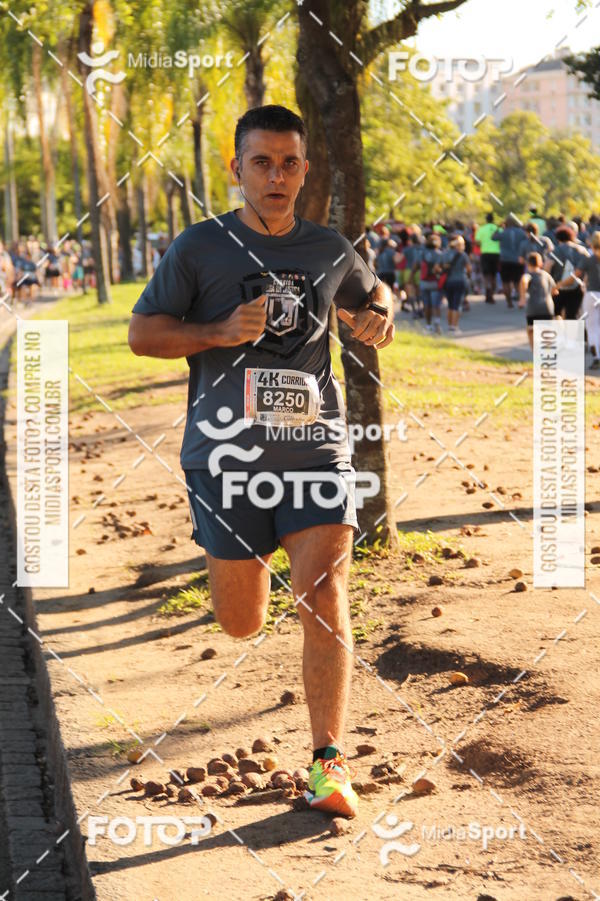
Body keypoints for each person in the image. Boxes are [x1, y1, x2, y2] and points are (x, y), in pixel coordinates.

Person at [127, 104, 395, 820]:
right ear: (237, 169)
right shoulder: (198, 249)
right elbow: (142, 333)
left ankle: (329, 764)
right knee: (241, 621)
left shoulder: (328, 247)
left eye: (289, 163)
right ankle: (248, 560)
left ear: (305, 170)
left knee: (322, 589)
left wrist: (382, 313)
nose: (276, 176)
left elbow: (374, 293)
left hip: (315, 452)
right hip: (225, 459)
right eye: (261, 162)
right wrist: (214, 330)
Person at [558, 229, 600, 369]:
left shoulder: (589, 260)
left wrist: (559, 284)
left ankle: (596, 357)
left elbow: (575, 276)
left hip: (592, 294)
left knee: (592, 327)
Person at [517, 252, 558, 350]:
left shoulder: (528, 275)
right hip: (547, 307)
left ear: (528, 264)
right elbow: (555, 291)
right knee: (547, 333)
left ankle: (535, 353)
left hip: (533, 308)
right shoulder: (546, 275)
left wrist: (522, 297)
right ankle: (548, 355)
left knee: (531, 330)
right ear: (540, 263)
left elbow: (524, 280)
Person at [549, 226, 589, 320]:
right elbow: (589, 264)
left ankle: (559, 330)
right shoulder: (581, 250)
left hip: (558, 287)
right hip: (577, 287)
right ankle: (571, 333)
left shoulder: (556, 250)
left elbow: (548, 265)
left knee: (556, 312)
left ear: (558, 238)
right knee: (572, 315)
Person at [493, 214, 527, 308]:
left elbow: (493, 237)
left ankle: (509, 302)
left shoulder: (503, 232)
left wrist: (498, 227)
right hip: (518, 260)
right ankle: (521, 300)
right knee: (518, 281)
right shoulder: (521, 232)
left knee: (505, 282)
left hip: (505, 260)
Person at [442, 235, 471, 334]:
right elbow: (469, 269)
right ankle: (455, 327)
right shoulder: (463, 255)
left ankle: (450, 326)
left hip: (448, 281)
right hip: (460, 280)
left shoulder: (445, 254)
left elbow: (441, 267)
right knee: (457, 305)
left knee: (450, 305)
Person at [419, 232, 444, 333]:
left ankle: (428, 326)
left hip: (424, 282)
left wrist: (411, 278)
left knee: (426, 305)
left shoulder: (422, 253)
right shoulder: (440, 254)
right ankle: (437, 324)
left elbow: (417, 265)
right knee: (436, 305)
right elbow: (441, 269)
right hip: (435, 282)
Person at [475, 212, 500, 304]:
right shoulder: (498, 229)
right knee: (493, 275)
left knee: (486, 275)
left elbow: (477, 242)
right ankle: (492, 294)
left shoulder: (481, 229)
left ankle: (488, 291)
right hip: (496, 254)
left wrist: (483, 244)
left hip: (485, 253)